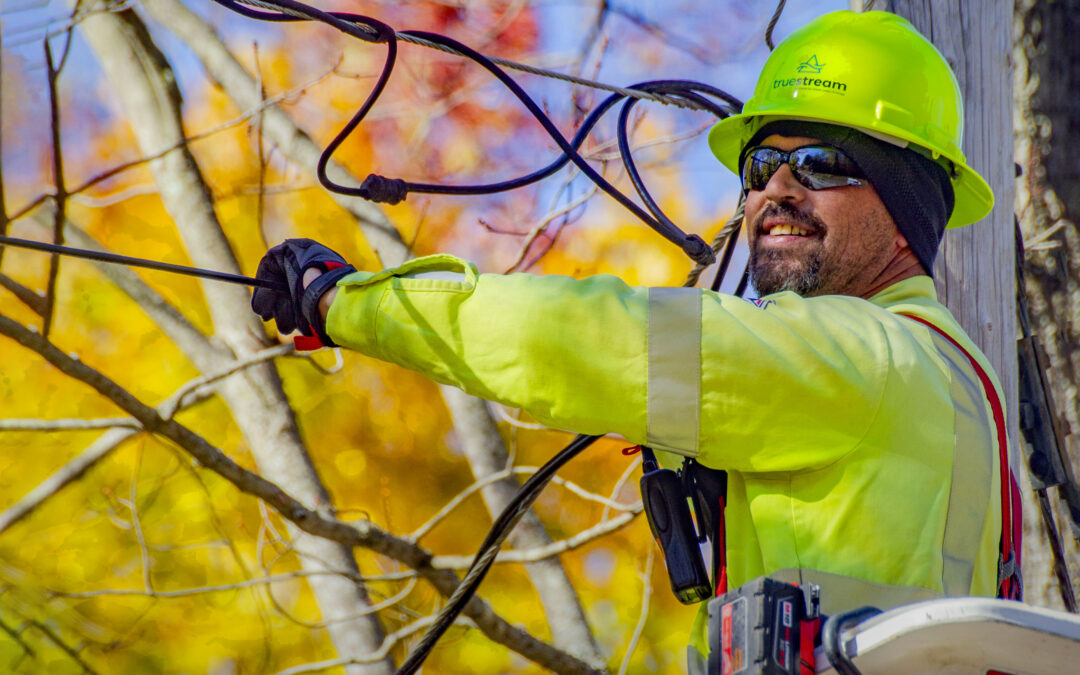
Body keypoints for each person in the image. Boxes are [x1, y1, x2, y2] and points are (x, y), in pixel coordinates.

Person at [252, 9, 1022, 669]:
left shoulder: (857, 355)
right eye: (760, 165)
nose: (775, 189)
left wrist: (345, 302)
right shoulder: (957, 374)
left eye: (822, 163)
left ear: (908, 203)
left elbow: (588, 339)